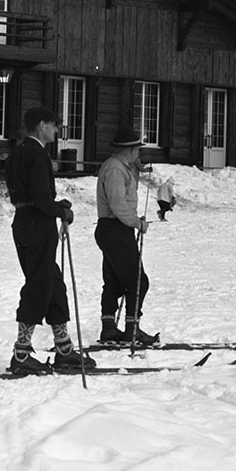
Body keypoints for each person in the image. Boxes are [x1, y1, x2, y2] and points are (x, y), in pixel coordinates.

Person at [3, 105, 94, 375]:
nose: (57, 130)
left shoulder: (16, 154)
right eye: (54, 125)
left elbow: (31, 195)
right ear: (42, 125)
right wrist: (61, 211)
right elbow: (42, 200)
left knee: (53, 283)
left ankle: (64, 348)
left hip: (23, 222)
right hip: (37, 223)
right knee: (39, 285)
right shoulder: (38, 155)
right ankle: (21, 353)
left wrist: (56, 206)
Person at [94, 127, 159, 346]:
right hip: (115, 229)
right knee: (138, 280)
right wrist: (137, 223)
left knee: (113, 282)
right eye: (136, 149)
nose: (138, 153)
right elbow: (117, 204)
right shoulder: (115, 169)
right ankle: (132, 329)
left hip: (116, 228)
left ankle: (109, 329)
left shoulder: (122, 166)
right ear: (129, 149)